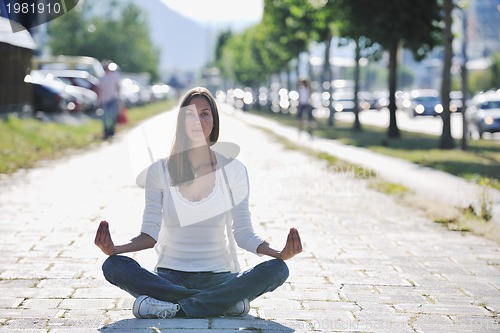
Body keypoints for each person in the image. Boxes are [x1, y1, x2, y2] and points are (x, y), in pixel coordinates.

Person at [94, 86, 302, 319]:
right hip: (169, 277)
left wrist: (279, 253)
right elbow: (149, 234)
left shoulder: (233, 169)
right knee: (113, 265)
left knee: (278, 269)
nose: (197, 120)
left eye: (204, 113)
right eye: (190, 114)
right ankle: (221, 304)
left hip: (221, 278)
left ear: (214, 121)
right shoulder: (159, 170)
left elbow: (243, 232)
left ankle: (177, 306)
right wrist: (115, 249)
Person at [97, 60, 121, 139]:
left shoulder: (114, 77)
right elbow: (99, 90)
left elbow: (118, 87)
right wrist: (99, 100)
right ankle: (106, 132)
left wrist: (118, 96)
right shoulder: (102, 78)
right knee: (105, 117)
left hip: (112, 99)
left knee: (112, 116)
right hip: (104, 100)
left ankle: (112, 131)